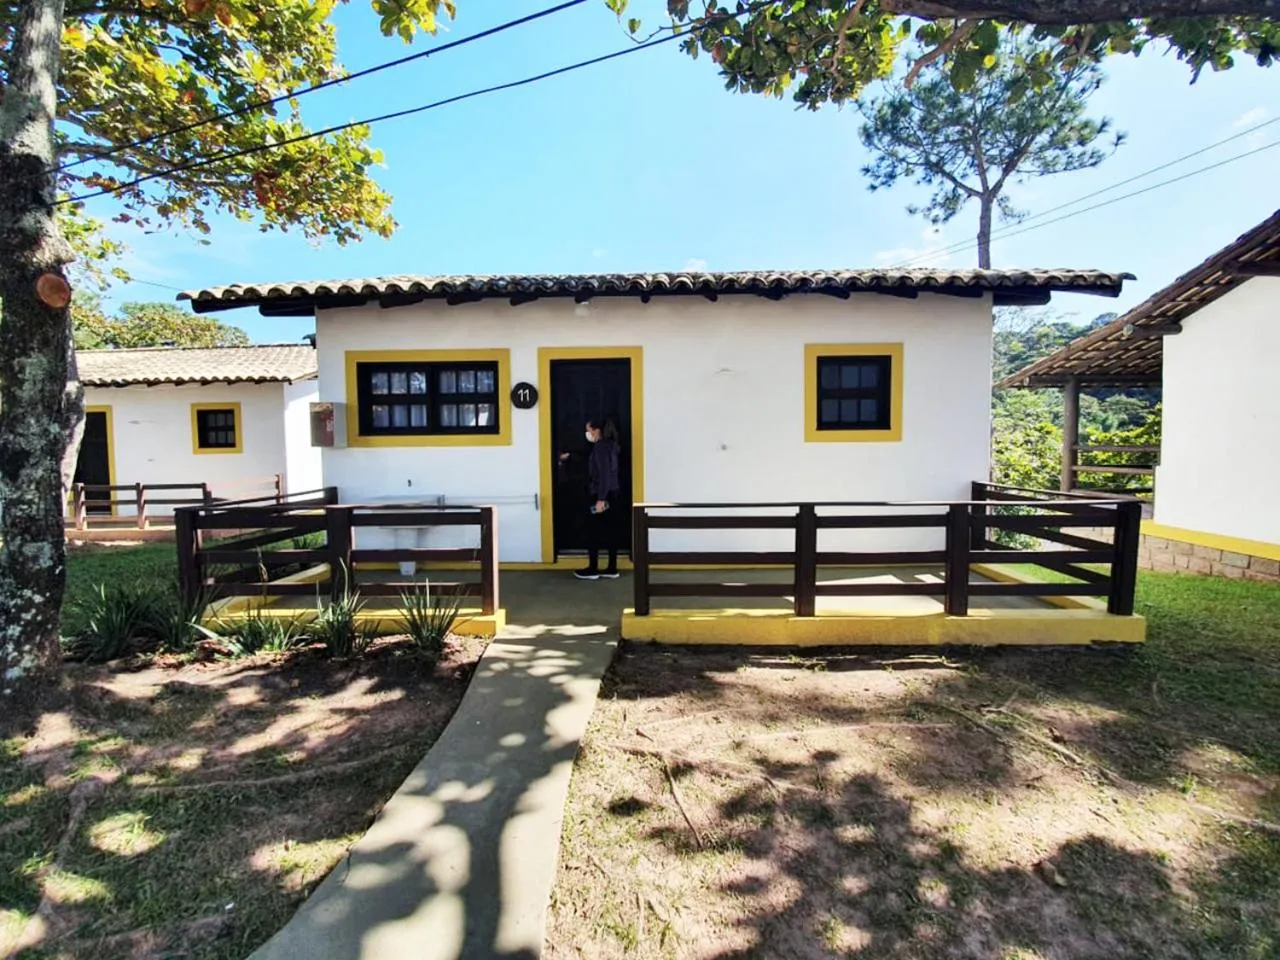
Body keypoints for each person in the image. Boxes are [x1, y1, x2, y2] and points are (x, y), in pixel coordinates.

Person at [563, 418, 621, 580]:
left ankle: (593, 568)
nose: (587, 434)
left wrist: (601, 499)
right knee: (611, 531)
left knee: (593, 531)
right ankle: (611, 568)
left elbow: (603, 475)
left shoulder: (601, 447)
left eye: (589, 430)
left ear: (596, 430)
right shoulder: (612, 445)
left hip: (601, 495)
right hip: (613, 494)